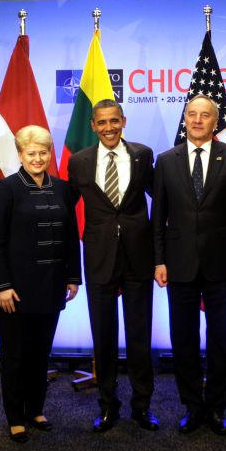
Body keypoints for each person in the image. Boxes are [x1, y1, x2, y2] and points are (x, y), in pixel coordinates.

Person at [152, 94, 226, 435]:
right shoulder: (166, 161)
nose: (197, 120)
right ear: (185, 119)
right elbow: (158, 217)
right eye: (192, 114)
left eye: (204, 115)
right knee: (183, 339)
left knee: (221, 339)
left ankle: (216, 407)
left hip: (222, 264)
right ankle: (192, 406)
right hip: (178, 264)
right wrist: (158, 260)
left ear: (215, 121)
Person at [0, 125, 81, 443]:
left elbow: (71, 237)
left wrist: (73, 277)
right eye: (31, 153)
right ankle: (15, 418)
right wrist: (2, 285)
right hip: (14, 290)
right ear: (20, 155)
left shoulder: (63, 188)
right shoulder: (6, 190)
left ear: (50, 154)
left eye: (43, 152)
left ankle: (35, 410)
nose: (37, 158)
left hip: (51, 287)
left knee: (40, 355)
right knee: (15, 357)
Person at [67, 99, 158, 433]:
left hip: (138, 258)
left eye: (114, 121)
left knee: (139, 337)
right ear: (93, 125)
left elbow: (161, 199)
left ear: (124, 121)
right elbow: (66, 210)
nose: (109, 128)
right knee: (103, 338)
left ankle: (142, 407)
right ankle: (108, 406)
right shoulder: (78, 161)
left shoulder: (143, 155)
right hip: (99, 259)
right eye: (102, 122)